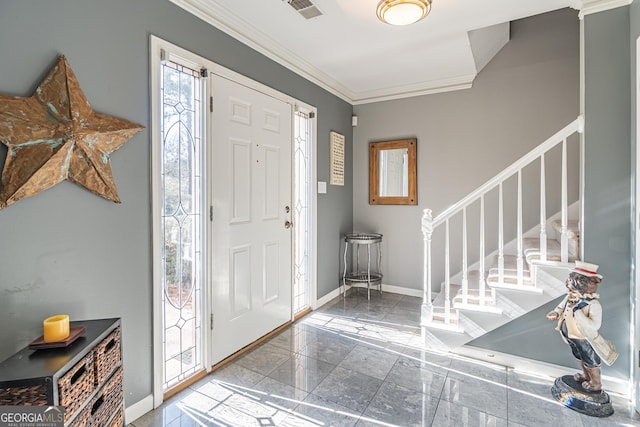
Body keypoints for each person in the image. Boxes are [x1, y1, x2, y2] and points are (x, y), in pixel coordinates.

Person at [546, 261, 618, 392]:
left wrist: (578, 312)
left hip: (583, 337)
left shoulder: (593, 304)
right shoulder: (570, 297)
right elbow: (561, 307)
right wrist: (555, 312)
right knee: (578, 355)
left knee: (590, 358)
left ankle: (596, 383)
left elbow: (595, 325)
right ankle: (585, 375)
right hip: (570, 335)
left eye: (573, 288)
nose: (571, 291)